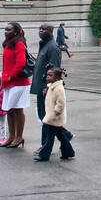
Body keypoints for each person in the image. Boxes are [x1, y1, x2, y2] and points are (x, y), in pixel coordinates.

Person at [0, 23, 31, 148]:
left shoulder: (19, 44)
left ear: (16, 31)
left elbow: (21, 63)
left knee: (18, 110)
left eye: (9, 29)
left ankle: (19, 137)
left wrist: (11, 76)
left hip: (18, 83)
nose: (5, 31)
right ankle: (11, 136)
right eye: (5, 29)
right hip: (8, 82)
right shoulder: (7, 44)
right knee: (9, 109)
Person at [33, 67, 75, 162]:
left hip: (55, 117)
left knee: (50, 137)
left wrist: (57, 111)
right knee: (61, 136)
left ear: (57, 77)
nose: (48, 77)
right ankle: (68, 152)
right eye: (47, 75)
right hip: (52, 116)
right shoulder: (51, 87)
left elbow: (61, 102)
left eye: (50, 75)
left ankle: (44, 155)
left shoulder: (58, 89)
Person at [31, 23, 61, 151]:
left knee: (46, 119)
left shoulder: (53, 48)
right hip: (40, 88)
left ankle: (45, 145)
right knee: (44, 117)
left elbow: (54, 70)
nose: (41, 31)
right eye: (40, 29)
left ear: (51, 31)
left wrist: (49, 87)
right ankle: (65, 135)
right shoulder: (44, 46)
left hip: (46, 89)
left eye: (44, 29)